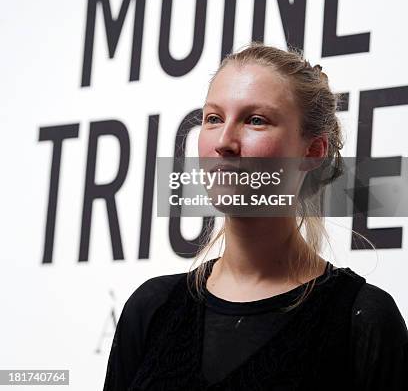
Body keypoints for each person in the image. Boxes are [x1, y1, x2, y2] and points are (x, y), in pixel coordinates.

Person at [103, 42, 408, 390]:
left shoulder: (363, 321)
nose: (224, 142)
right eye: (213, 119)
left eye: (256, 120)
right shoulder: (152, 309)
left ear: (313, 150)